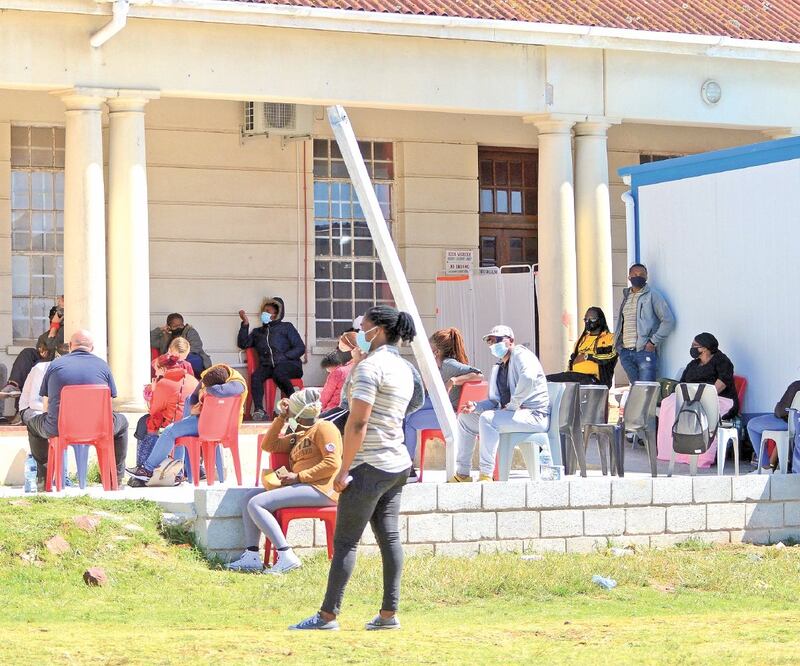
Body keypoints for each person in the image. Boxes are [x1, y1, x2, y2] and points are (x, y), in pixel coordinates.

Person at [290, 305, 417, 631]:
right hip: (396, 462)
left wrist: (343, 469)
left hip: (367, 464)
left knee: (346, 542)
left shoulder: (370, 368)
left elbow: (357, 422)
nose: (359, 332)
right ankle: (388, 613)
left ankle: (327, 616)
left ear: (378, 330)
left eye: (364, 327)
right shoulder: (403, 367)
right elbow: (412, 404)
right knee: (389, 537)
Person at [227, 389, 342, 574]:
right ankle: (252, 555)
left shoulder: (324, 428)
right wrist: (281, 417)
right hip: (303, 486)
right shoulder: (299, 434)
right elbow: (268, 445)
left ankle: (286, 555)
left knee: (257, 503)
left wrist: (298, 477)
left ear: (299, 413)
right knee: (249, 497)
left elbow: (332, 463)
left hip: (321, 488)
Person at [25, 330, 128, 489]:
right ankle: (116, 478)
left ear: (71, 346)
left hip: (59, 428)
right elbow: (109, 402)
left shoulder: (55, 365)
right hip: (99, 428)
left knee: (33, 425)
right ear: (92, 348)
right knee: (123, 422)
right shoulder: (103, 365)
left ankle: (43, 478)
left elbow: (47, 402)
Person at [450, 325, 549, 483]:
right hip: (512, 415)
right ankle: (463, 474)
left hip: (534, 415)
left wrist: (514, 405)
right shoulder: (499, 367)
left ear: (511, 341)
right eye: (490, 341)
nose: (493, 344)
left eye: (497, 340)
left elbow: (528, 378)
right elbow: (495, 402)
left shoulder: (521, 354)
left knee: (488, 419)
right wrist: (476, 406)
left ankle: (486, 474)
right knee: (464, 419)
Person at [127, 363, 247, 484]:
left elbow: (220, 391)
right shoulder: (212, 376)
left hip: (210, 426)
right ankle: (177, 474)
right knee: (178, 430)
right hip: (218, 426)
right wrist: (196, 404)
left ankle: (148, 469)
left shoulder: (238, 382)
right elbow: (193, 397)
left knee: (170, 431)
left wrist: (206, 390)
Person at [402, 328, 482, 478]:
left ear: (436, 351)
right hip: (440, 406)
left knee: (410, 422)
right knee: (406, 411)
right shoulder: (438, 366)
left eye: (429, 348)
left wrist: (454, 380)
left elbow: (479, 375)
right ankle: (404, 464)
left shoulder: (449, 364)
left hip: (450, 414)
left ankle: (408, 468)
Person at [656, 333, 738, 468]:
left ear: (705, 348)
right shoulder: (693, 364)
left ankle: (700, 455)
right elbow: (682, 384)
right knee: (669, 404)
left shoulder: (722, 361)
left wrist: (700, 397)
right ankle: (673, 451)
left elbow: (720, 385)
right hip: (691, 397)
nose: (692, 348)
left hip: (717, 398)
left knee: (700, 409)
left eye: (695, 345)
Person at [238, 297, 305, 421]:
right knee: (256, 376)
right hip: (268, 366)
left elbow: (300, 348)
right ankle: (259, 410)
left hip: (289, 364)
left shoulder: (286, 327)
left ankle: (295, 407)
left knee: (279, 372)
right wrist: (245, 324)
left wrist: (284, 356)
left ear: (276, 314)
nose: (264, 313)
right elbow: (243, 343)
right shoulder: (258, 332)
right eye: (264, 311)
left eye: (268, 311)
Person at [134, 354, 199, 475]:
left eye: (156, 370)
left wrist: (154, 390)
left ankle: (145, 466)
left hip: (177, 422)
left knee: (148, 422)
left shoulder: (164, 383)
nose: (155, 373)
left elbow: (154, 410)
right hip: (194, 421)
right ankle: (172, 470)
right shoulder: (192, 379)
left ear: (163, 369)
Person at [0, 296, 65, 408]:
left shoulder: (65, 330)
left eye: (56, 316)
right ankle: (14, 385)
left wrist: (55, 327)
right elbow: (41, 348)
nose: (53, 319)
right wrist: (43, 351)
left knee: (37, 366)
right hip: (46, 362)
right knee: (27, 353)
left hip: (59, 364)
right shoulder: (44, 336)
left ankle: (23, 409)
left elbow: (53, 347)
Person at [614, 263, 674, 383]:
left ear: (646, 277)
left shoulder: (652, 295)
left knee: (647, 389)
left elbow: (668, 320)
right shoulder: (626, 297)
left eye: (642, 274)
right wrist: (619, 348)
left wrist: (653, 342)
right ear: (629, 277)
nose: (638, 276)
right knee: (636, 389)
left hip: (644, 351)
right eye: (635, 274)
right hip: (626, 352)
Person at [547, 307, 618, 387]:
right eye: (586, 319)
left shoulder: (610, 338)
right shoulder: (581, 340)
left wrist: (587, 357)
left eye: (592, 319)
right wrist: (568, 372)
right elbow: (572, 360)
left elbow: (610, 357)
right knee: (546, 380)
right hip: (574, 376)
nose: (588, 322)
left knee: (575, 383)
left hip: (595, 379)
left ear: (600, 320)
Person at [746, 380, 800, 471]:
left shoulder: (796, 386)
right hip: (796, 426)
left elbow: (780, 412)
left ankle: (764, 467)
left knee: (751, 425)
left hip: (788, 423)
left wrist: (778, 406)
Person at [17, 342, 69, 426]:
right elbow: (33, 403)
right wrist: (55, 411)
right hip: (31, 409)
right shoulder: (41, 369)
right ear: (57, 357)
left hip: (56, 412)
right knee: (46, 422)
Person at [150, 313, 211, 378]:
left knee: (192, 360)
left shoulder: (190, 331)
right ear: (169, 326)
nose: (178, 328)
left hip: (189, 357)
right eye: (175, 326)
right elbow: (149, 340)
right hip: (171, 360)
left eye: (181, 325)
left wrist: (180, 356)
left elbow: (196, 347)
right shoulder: (165, 336)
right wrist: (160, 329)